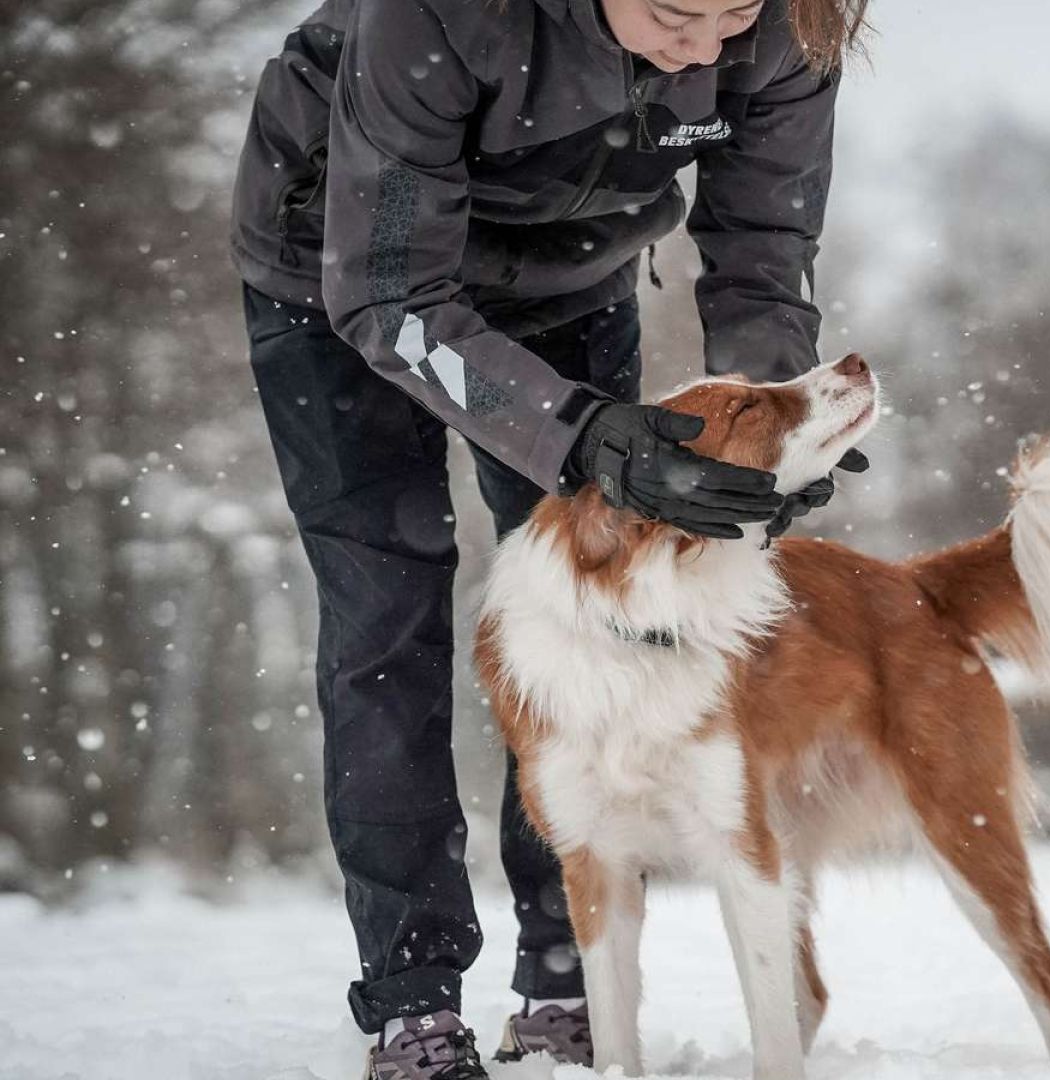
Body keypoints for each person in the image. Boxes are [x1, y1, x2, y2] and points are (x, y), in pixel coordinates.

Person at [229, 0, 869, 1075]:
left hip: (570, 275)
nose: (704, 50)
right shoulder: (442, 13)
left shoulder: (791, 26)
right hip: (343, 280)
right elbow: (392, 295)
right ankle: (413, 1000)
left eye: (731, 15)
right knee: (387, 615)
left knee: (602, 621)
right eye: (674, 14)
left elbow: (762, 245)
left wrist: (762, 445)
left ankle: (564, 981)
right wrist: (580, 436)